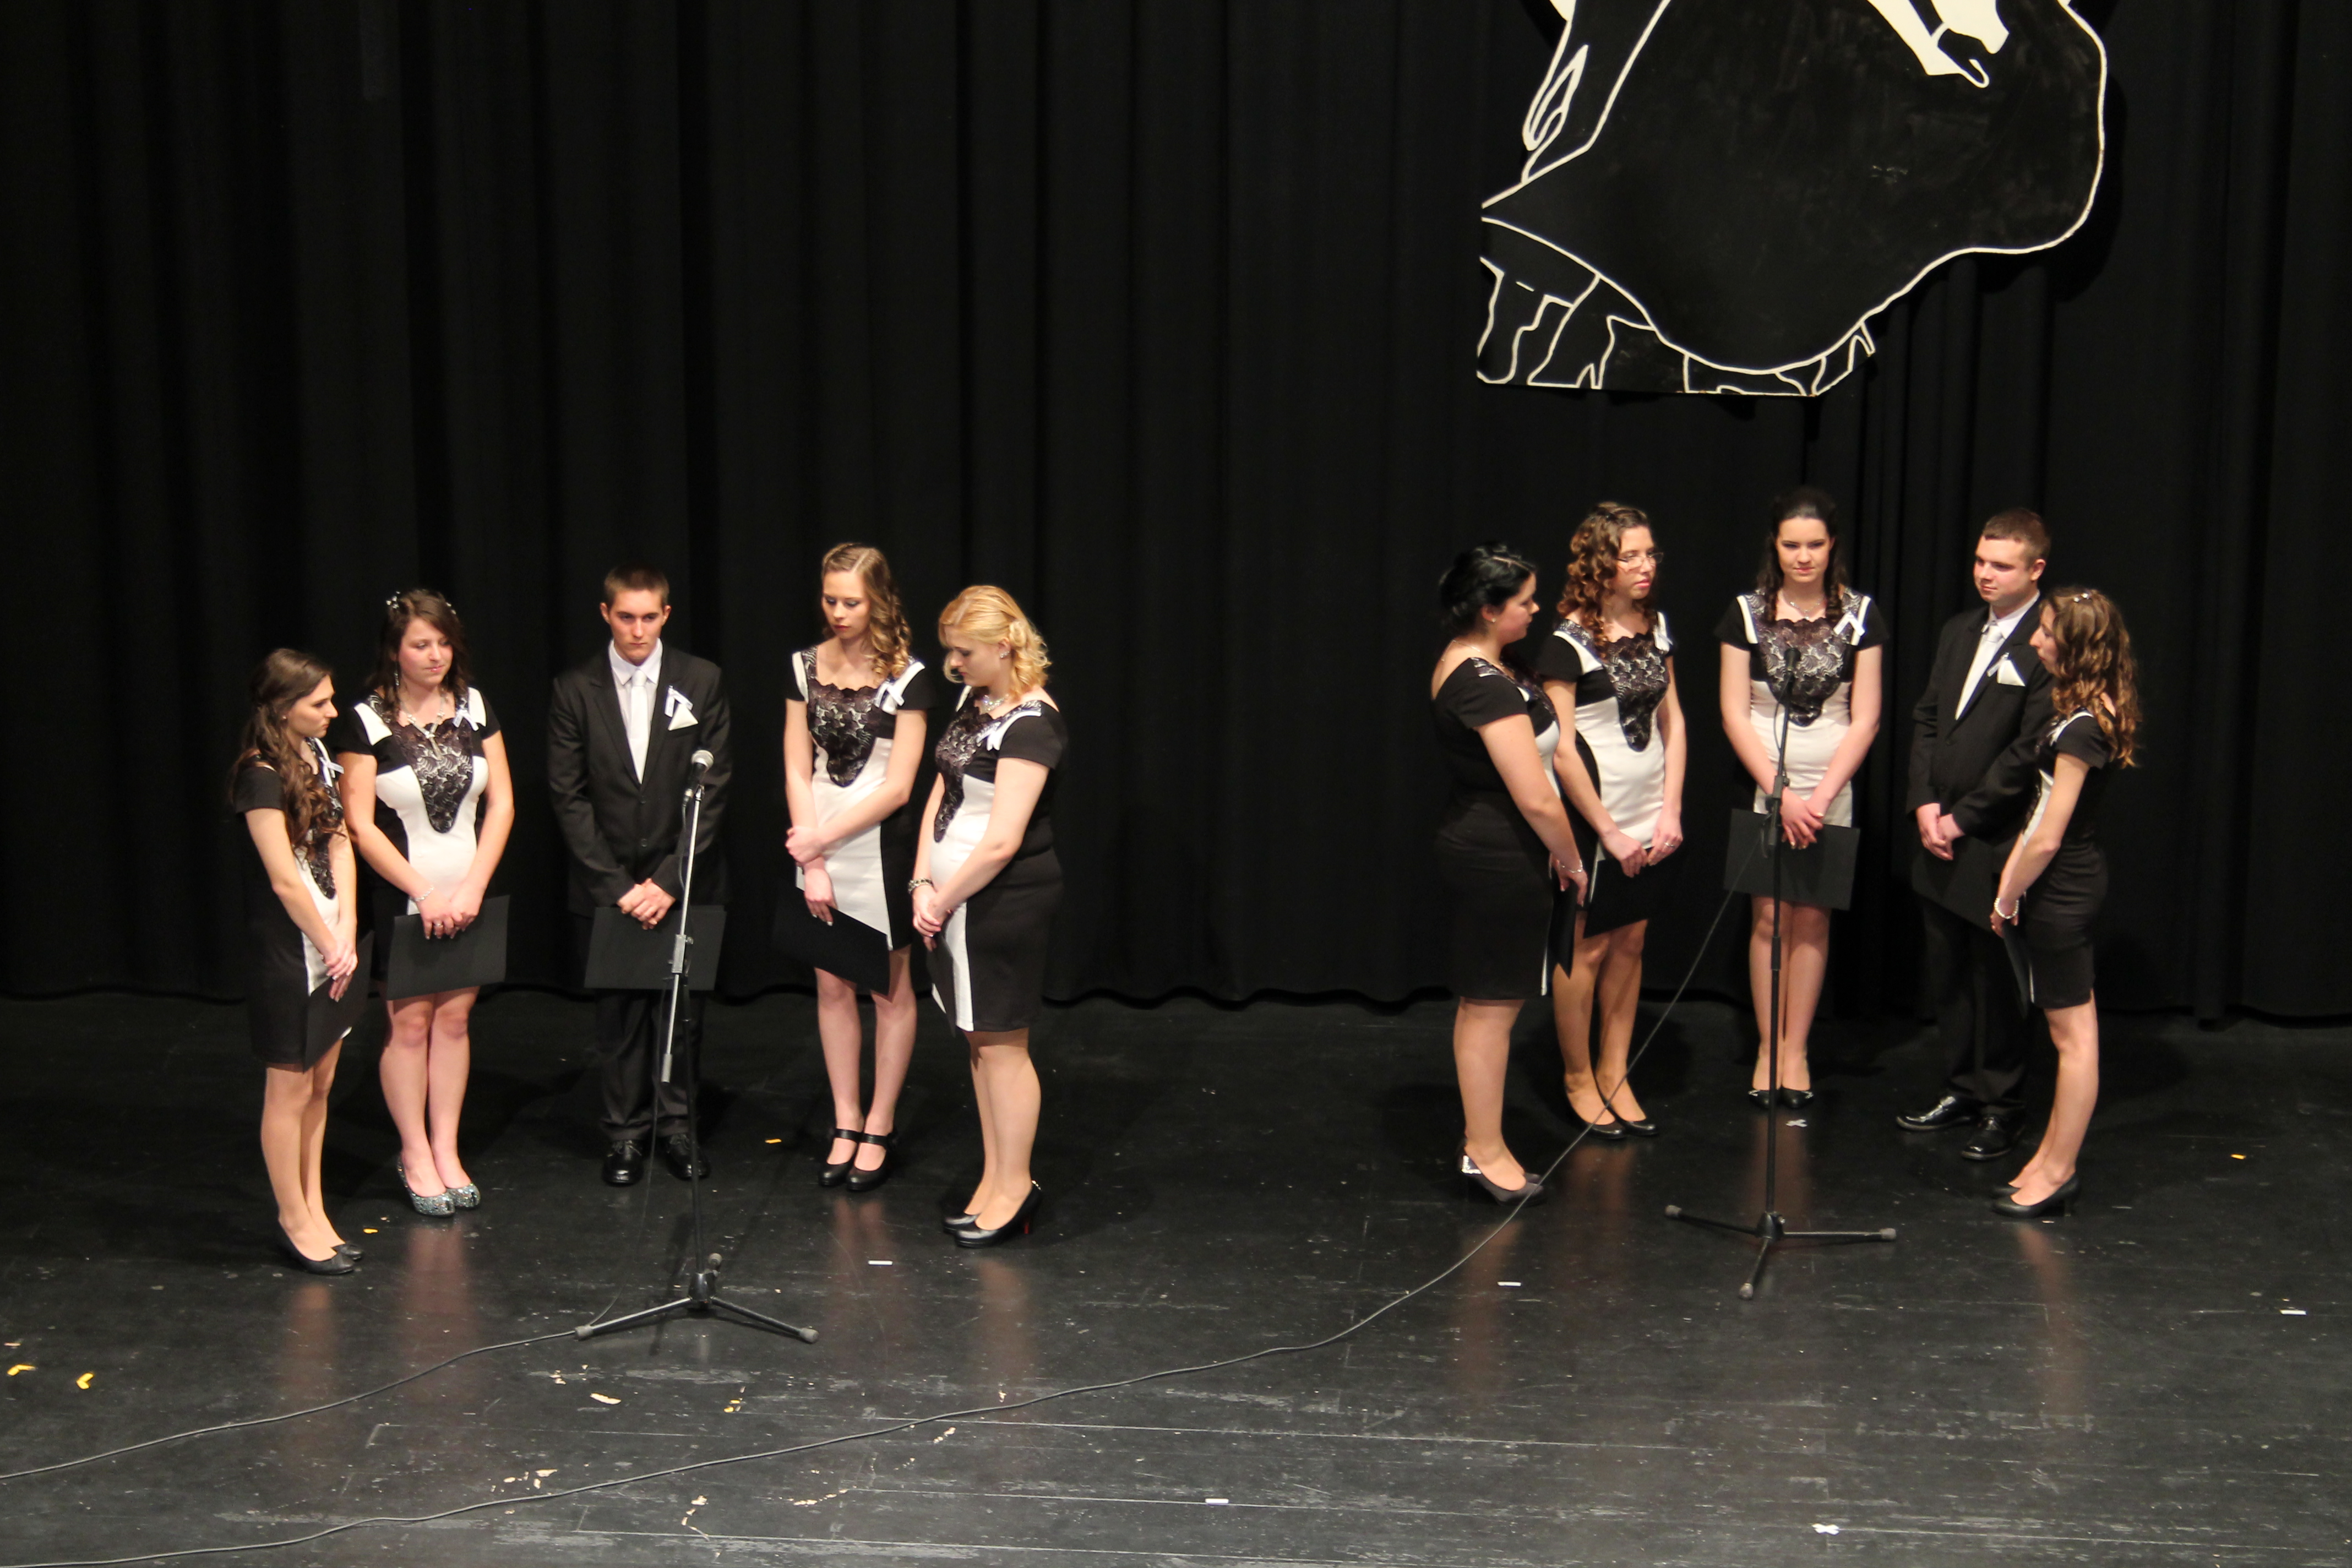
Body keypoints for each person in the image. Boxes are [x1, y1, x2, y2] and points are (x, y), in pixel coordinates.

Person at [547, 564, 733, 1186]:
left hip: (682, 881)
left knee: (681, 1013)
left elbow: (713, 787)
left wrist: (670, 880)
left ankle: (677, 1127)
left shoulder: (701, 680)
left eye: (649, 617)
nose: (637, 629)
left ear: (665, 615)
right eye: (626, 617)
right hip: (612, 884)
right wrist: (619, 887)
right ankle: (625, 1134)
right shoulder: (575, 688)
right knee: (620, 1015)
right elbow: (568, 796)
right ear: (606, 614)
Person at [333, 590, 514, 1216]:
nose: (435, 655)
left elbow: (503, 804)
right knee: (409, 1023)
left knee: (456, 1021)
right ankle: (414, 1152)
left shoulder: (475, 707)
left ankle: (447, 1148)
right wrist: (426, 892)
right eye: (420, 645)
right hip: (407, 894)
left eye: (443, 644)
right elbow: (360, 824)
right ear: (394, 651)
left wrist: (473, 887)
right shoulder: (365, 721)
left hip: (470, 892)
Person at [1715, 488, 1886, 1107]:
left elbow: (1866, 717)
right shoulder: (1745, 613)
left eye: (1815, 545)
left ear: (1832, 545)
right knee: (1768, 917)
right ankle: (1768, 1046)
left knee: (1812, 918)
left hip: (1829, 792)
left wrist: (1820, 797)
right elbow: (1734, 713)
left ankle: (1796, 1050)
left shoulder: (1861, 615)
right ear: (1776, 546)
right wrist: (1780, 793)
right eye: (1792, 545)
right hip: (1765, 787)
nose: (1804, 557)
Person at [1430, 545, 1589, 1201]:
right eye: (1524, 601)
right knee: (1491, 1007)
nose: (1536, 608)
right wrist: (1572, 859)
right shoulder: (1482, 682)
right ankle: (1484, 1149)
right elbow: (1537, 797)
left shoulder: (1486, 665)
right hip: (1499, 856)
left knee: (1488, 1005)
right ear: (1490, 610)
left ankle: (1484, 1141)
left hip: (1497, 849)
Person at [912, 587, 1066, 1246]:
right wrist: (921, 879)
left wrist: (944, 898)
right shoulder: (975, 702)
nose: (953, 663)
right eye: (950, 650)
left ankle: (1017, 1185)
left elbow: (1003, 840)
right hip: (952, 901)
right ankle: (995, 1176)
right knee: (979, 1042)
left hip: (1001, 904)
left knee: (1003, 1046)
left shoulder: (1032, 725)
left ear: (1004, 647)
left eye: (964, 652)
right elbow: (941, 789)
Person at [1899, 509, 2055, 1160]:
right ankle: (1961, 1086)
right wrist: (1925, 801)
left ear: (2036, 569)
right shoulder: (1960, 629)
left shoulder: (2047, 641)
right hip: (1938, 831)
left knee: (1995, 979)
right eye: (1980, 561)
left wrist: (1965, 817)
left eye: (2002, 565)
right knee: (1950, 972)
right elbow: (1929, 719)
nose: (1985, 574)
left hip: (1995, 838)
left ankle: (2002, 1104)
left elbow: (2028, 751)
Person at [782, 545, 938, 1192]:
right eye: (831, 600)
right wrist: (813, 856)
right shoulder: (803, 666)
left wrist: (821, 840)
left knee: (889, 991)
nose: (839, 612)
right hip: (816, 846)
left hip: (878, 847)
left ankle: (880, 1120)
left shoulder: (910, 677)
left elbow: (899, 787)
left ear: (878, 602)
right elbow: (797, 768)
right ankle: (846, 1117)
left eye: (852, 602)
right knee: (831, 985)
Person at [1536, 504, 1684, 1138]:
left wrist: (1672, 807)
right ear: (1601, 564)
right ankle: (1578, 1077)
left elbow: (1674, 722)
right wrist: (1608, 831)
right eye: (1631, 556)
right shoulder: (1567, 642)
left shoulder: (1657, 625)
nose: (1646, 566)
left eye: (1651, 554)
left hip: (1651, 814)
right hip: (1597, 820)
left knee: (1632, 940)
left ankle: (1615, 1070)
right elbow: (1562, 749)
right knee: (1589, 946)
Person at [1989, 589, 2138, 1217]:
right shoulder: (2077, 712)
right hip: (2054, 882)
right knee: (2065, 1032)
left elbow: (2050, 834)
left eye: (2049, 633)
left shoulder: (2083, 727)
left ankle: (2059, 1171)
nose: (2037, 641)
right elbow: (2039, 813)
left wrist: (2008, 895)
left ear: (2078, 648)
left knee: (2074, 1039)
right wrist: (2011, 881)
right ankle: (2049, 1157)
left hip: (2063, 888)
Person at [230, 651, 362, 1275]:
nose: (333, 711)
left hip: (333, 937)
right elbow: (284, 878)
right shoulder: (259, 775)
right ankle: (292, 1218)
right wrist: (327, 941)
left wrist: (348, 925)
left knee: (322, 1082)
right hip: (290, 948)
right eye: (320, 703)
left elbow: (341, 842)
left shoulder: (318, 757)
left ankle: (315, 1206)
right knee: (289, 1085)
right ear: (283, 708)